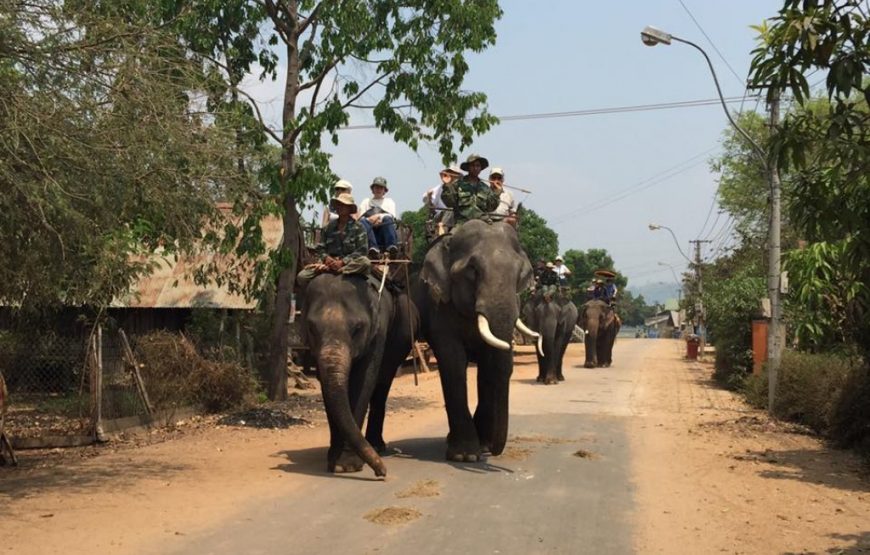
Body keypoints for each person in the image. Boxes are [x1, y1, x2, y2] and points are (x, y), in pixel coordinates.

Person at [297, 192, 371, 287]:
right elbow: (320, 248)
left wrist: (342, 262)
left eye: (344, 205)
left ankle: (341, 270)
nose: (340, 207)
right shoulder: (329, 227)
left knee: (365, 262)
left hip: (348, 264)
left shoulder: (359, 227)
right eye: (338, 205)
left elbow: (362, 251)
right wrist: (326, 258)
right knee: (301, 276)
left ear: (349, 209)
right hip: (329, 264)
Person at [440, 154, 500, 224]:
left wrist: (496, 192)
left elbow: (491, 208)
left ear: (481, 168)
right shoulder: (457, 185)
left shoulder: (485, 188)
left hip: (483, 222)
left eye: (478, 166)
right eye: (472, 165)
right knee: (452, 235)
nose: (475, 168)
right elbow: (449, 203)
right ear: (468, 167)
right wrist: (447, 185)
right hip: (462, 223)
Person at [358, 176, 399, 258]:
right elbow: (360, 218)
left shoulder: (389, 202)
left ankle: (391, 247)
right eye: (376, 187)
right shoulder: (366, 202)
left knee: (388, 219)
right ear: (372, 189)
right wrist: (370, 220)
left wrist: (378, 216)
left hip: (384, 231)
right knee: (362, 221)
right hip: (369, 232)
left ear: (384, 190)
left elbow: (392, 217)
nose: (378, 189)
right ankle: (373, 248)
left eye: (381, 188)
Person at [424, 164, 462, 237]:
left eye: (452, 173)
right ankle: (442, 236)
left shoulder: (463, 187)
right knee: (450, 211)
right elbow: (431, 205)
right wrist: (429, 196)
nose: (449, 175)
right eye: (447, 173)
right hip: (442, 217)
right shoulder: (439, 188)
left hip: (460, 216)